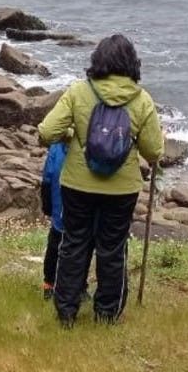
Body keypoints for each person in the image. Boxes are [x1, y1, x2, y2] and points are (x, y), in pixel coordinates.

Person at [38, 34, 164, 326]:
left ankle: (66, 310)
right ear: (132, 64)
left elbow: (46, 132)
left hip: (77, 184)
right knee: (113, 247)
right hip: (122, 189)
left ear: (98, 60)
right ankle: (107, 314)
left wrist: (73, 135)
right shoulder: (142, 100)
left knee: (74, 242)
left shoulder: (79, 91)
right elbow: (154, 151)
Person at [40, 141, 67, 300]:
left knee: (55, 243)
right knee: (81, 246)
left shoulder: (58, 145)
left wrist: (47, 207)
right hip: (82, 201)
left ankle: (49, 284)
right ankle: (79, 287)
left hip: (59, 202)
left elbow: (47, 178)